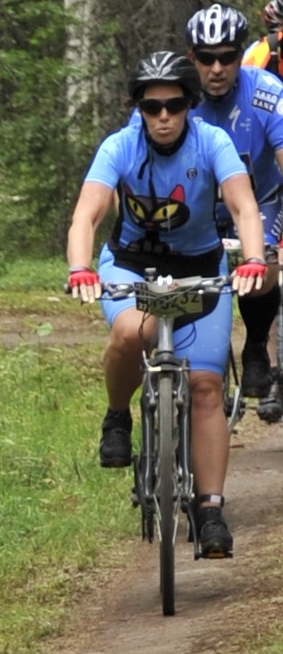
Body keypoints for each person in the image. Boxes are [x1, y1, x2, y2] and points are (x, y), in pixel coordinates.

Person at [64, 46, 268, 554]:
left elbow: (244, 207)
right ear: (138, 108)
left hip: (200, 267)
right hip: (131, 264)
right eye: (151, 106)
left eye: (174, 105)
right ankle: (118, 416)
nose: (162, 117)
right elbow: (87, 214)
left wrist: (253, 259)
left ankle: (210, 509)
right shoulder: (120, 146)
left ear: (189, 105)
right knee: (131, 331)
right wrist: (81, 268)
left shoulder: (212, 142)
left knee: (205, 385)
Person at [185, 3, 283, 419]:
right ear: (191, 58)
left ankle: (257, 343)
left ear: (240, 55)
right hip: (201, 207)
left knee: (262, 267)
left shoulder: (265, 91)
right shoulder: (177, 96)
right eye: (206, 58)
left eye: (227, 57)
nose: (217, 68)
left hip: (260, 200)